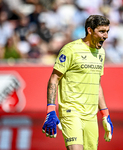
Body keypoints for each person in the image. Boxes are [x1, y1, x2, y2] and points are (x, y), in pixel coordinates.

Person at [42, 15, 113, 150]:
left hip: (91, 115)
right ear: (90, 30)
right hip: (71, 111)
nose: (106, 36)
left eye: (107, 31)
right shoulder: (70, 50)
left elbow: (97, 84)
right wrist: (50, 110)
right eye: (102, 31)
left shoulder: (101, 53)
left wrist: (105, 114)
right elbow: (54, 79)